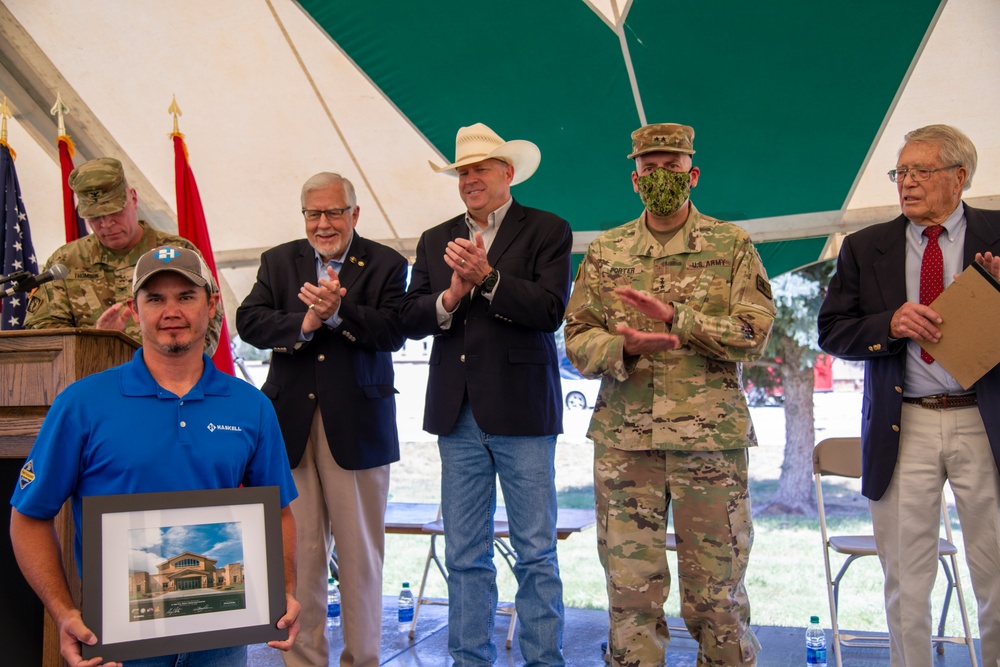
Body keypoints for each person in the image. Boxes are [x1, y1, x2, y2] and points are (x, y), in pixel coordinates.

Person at [9, 245, 300, 667]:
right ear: (134, 308)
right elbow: (29, 516)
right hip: (119, 647)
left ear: (212, 304)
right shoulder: (81, 404)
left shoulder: (250, 406)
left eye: (186, 296)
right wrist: (64, 612)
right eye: (155, 298)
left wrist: (285, 590)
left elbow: (278, 510)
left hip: (223, 644)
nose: (171, 310)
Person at [563, 123, 775, 666]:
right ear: (634, 180)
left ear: (693, 175)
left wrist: (681, 320)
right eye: (650, 168)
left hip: (710, 444)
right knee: (630, 594)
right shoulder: (606, 251)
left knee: (717, 596)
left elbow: (753, 333)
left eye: (672, 168)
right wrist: (624, 349)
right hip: (626, 445)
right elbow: (577, 338)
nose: (661, 177)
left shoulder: (731, 245)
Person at [818, 124, 1000, 667]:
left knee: (995, 570)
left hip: (983, 421)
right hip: (905, 426)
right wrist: (889, 324)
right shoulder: (864, 246)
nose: (907, 183)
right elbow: (832, 331)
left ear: (959, 178)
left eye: (922, 172)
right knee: (906, 577)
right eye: (901, 172)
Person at [399, 122, 571, 666]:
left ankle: (544, 660)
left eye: (479, 169)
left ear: (508, 173)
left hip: (523, 411)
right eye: (462, 172)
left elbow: (550, 311)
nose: (470, 179)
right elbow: (409, 316)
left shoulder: (548, 229)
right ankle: (469, 660)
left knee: (536, 552)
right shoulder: (433, 239)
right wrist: (450, 295)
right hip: (458, 415)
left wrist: (490, 278)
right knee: (464, 552)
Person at [236, 172, 407, 667]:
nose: (324, 222)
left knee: (360, 559)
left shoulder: (386, 263)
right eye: (314, 213)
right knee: (300, 556)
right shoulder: (278, 260)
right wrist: (305, 323)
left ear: (355, 213)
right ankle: (304, 660)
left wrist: (338, 313)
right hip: (289, 425)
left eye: (335, 212)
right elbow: (249, 320)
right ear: (304, 216)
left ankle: (363, 659)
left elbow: (393, 331)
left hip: (357, 427)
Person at [24, 157, 222, 354]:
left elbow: (209, 322)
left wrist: (160, 366)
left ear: (134, 199)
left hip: (166, 379)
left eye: (115, 212)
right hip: (92, 379)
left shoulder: (178, 253)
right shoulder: (65, 262)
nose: (106, 224)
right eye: (95, 217)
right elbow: (43, 335)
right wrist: (95, 342)